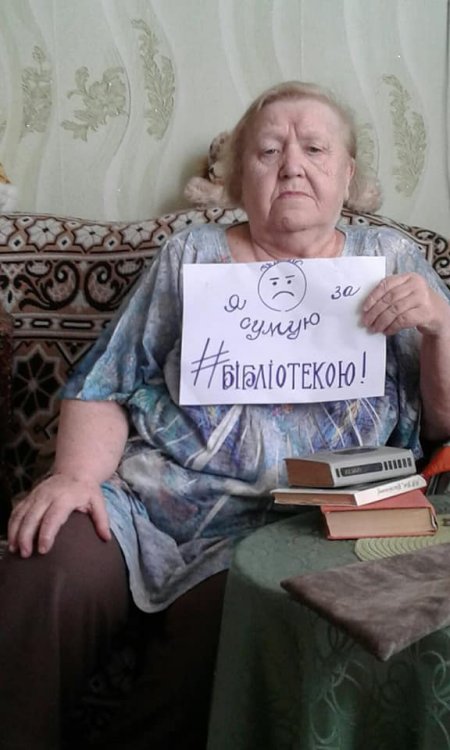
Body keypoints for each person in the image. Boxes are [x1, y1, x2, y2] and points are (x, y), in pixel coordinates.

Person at [2, 80, 450, 750]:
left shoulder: (390, 262)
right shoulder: (191, 256)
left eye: (314, 149)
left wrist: (439, 327)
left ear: (347, 174)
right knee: (48, 559)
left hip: (290, 528)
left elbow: (442, 425)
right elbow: (105, 380)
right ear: (241, 175)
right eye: (269, 150)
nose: (291, 165)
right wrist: (74, 478)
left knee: (231, 629)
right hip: (150, 503)